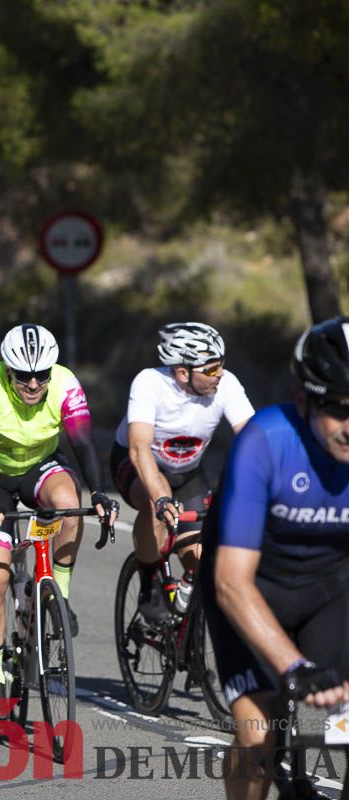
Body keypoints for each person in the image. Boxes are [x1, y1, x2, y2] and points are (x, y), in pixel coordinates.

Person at [202, 317, 349, 800]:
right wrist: (294, 667)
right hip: (251, 587)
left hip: (328, 588)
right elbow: (230, 583)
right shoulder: (265, 442)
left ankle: (305, 765)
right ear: (303, 399)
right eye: (337, 408)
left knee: (330, 722)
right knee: (259, 731)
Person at [0, 323, 117, 719]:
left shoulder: (65, 383)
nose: (33, 383)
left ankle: (57, 596)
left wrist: (100, 493)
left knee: (68, 502)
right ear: (7, 370)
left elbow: (82, 441)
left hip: (39, 466)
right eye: (23, 375)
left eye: (41, 375)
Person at [111, 322, 254, 625]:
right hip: (137, 464)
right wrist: (162, 499)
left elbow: (255, 442)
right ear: (181, 372)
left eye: (221, 365)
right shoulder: (150, 383)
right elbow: (138, 448)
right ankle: (150, 584)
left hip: (188, 472)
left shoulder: (225, 385)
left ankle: (189, 641)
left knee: (200, 560)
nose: (221, 373)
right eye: (212, 368)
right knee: (154, 503)